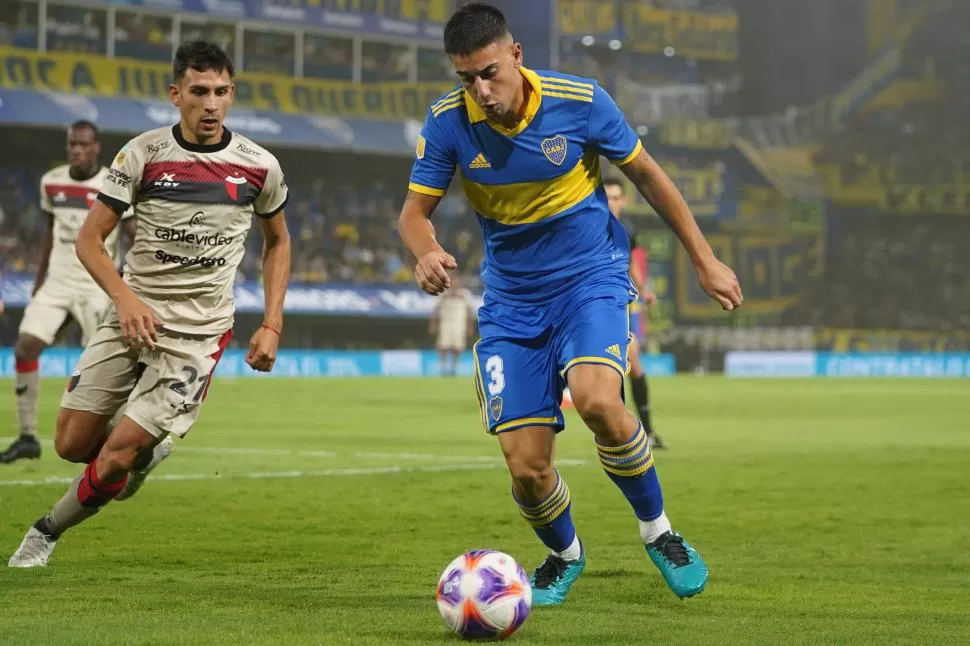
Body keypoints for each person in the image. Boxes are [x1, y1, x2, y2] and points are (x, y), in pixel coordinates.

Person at [399, 3, 742, 605]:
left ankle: (659, 532)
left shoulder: (580, 101)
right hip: (510, 301)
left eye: (488, 73)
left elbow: (651, 178)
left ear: (516, 56)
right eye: (466, 79)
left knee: (596, 399)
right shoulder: (449, 123)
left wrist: (703, 257)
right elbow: (413, 215)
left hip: (591, 278)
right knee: (527, 470)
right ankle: (565, 554)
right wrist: (425, 252)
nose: (480, 90)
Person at [8, 40, 291, 568]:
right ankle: (142, 454)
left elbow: (279, 242)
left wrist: (272, 322)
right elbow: (90, 240)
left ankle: (43, 534)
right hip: (129, 319)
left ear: (232, 95)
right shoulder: (141, 155)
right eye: (200, 92)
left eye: (222, 92)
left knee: (114, 455)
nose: (211, 104)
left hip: (198, 335)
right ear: (175, 94)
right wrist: (126, 298)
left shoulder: (258, 167)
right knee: (71, 444)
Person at [1, 121, 137, 464]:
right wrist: (38, 281)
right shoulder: (52, 182)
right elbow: (49, 233)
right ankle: (28, 436)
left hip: (97, 283)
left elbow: (131, 234)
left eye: (83, 144)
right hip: (58, 282)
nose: (76, 150)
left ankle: (119, 438)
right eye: (72, 144)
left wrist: (127, 284)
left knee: (103, 367)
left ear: (96, 148)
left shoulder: (113, 183)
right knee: (25, 346)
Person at [604, 177, 666, 449]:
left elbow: (631, 265)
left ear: (624, 201)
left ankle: (644, 432)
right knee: (620, 365)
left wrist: (644, 289)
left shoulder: (627, 229)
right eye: (606, 197)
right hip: (593, 305)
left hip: (619, 305)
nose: (611, 202)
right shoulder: (589, 226)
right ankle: (624, 433)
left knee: (632, 363)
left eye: (616, 197)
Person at [429, 274, 476, 376]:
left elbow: (470, 311)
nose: (454, 283)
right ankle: (443, 368)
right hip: (445, 323)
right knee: (443, 346)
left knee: (457, 347)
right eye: (452, 281)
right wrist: (433, 324)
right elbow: (435, 309)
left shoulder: (465, 294)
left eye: (456, 281)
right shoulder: (443, 293)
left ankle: (454, 368)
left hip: (459, 324)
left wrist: (470, 327)